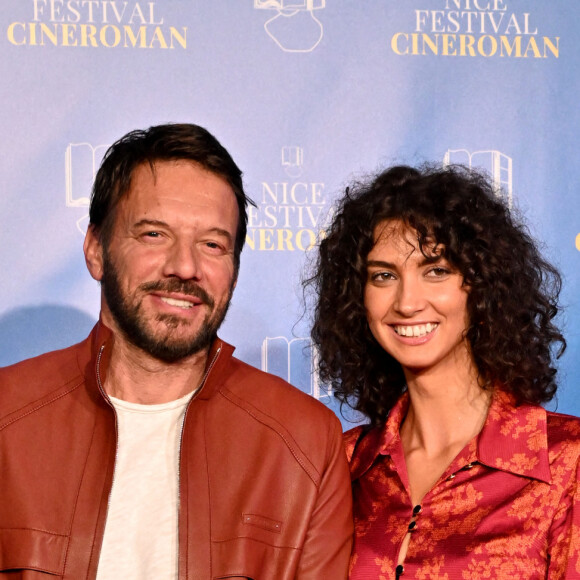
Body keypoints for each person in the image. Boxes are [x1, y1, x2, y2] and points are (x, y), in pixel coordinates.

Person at [0, 123, 353, 579]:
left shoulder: (304, 442)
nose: (185, 267)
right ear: (96, 250)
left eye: (212, 244)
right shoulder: (7, 416)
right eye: (154, 234)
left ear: (235, 270)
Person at [308, 164, 580, 578]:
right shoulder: (344, 463)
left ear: (482, 284)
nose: (407, 301)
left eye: (436, 271)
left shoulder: (566, 462)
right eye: (383, 276)